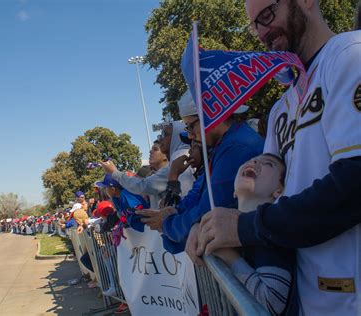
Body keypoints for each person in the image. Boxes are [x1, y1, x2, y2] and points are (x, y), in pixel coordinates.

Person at [196, 1, 361, 314]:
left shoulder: (349, 54)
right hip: (308, 297)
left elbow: (355, 183)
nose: (261, 33)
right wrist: (210, 228)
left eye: (267, 15)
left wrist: (244, 228)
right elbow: (261, 198)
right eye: (254, 24)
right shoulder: (280, 108)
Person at [138, 89, 264, 254]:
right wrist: (173, 212)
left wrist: (167, 223)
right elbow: (198, 195)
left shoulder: (236, 147)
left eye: (190, 126)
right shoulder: (223, 146)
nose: (190, 136)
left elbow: (208, 211)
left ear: (210, 115)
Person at [213, 153, 296, 315]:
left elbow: (271, 302)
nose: (254, 161)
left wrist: (229, 257)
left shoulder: (270, 234)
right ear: (234, 193)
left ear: (279, 190)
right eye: (249, 160)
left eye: (268, 164)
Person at [101, 120, 194, 210]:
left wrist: (115, 172)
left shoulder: (178, 159)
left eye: (165, 134)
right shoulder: (168, 166)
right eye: (160, 135)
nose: (160, 138)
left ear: (177, 138)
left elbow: (143, 186)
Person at [95, 174, 149, 243]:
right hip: (136, 231)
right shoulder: (115, 198)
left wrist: (125, 219)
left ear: (113, 189)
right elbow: (120, 213)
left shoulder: (125, 194)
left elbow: (138, 210)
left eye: (106, 188)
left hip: (146, 226)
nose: (105, 190)